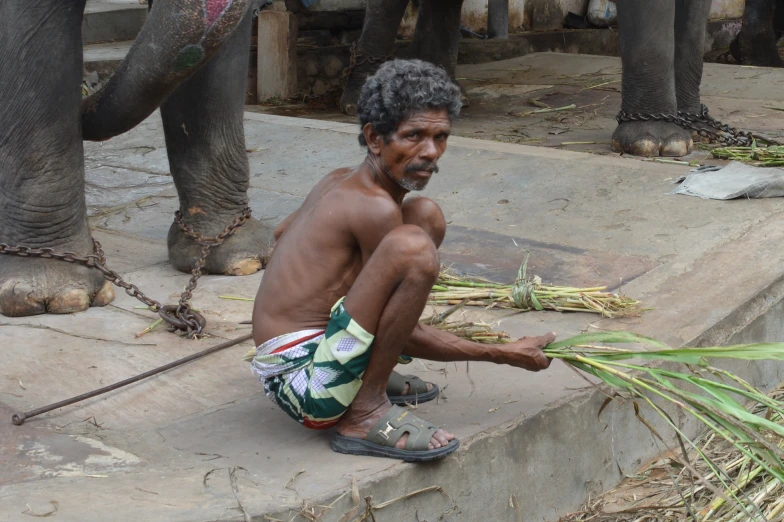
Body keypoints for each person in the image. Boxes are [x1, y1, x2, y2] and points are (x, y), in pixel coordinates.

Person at [250, 59, 557, 462]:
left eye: (440, 137)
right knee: (411, 247)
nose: (430, 153)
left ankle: (364, 375)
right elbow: (403, 329)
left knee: (424, 214)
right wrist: (500, 353)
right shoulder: (373, 209)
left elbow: (280, 235)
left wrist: (318, 295)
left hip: (298, 354)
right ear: (375, 138)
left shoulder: (341, 178)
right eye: (414, 136)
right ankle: (364, 411)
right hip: (307, 387)